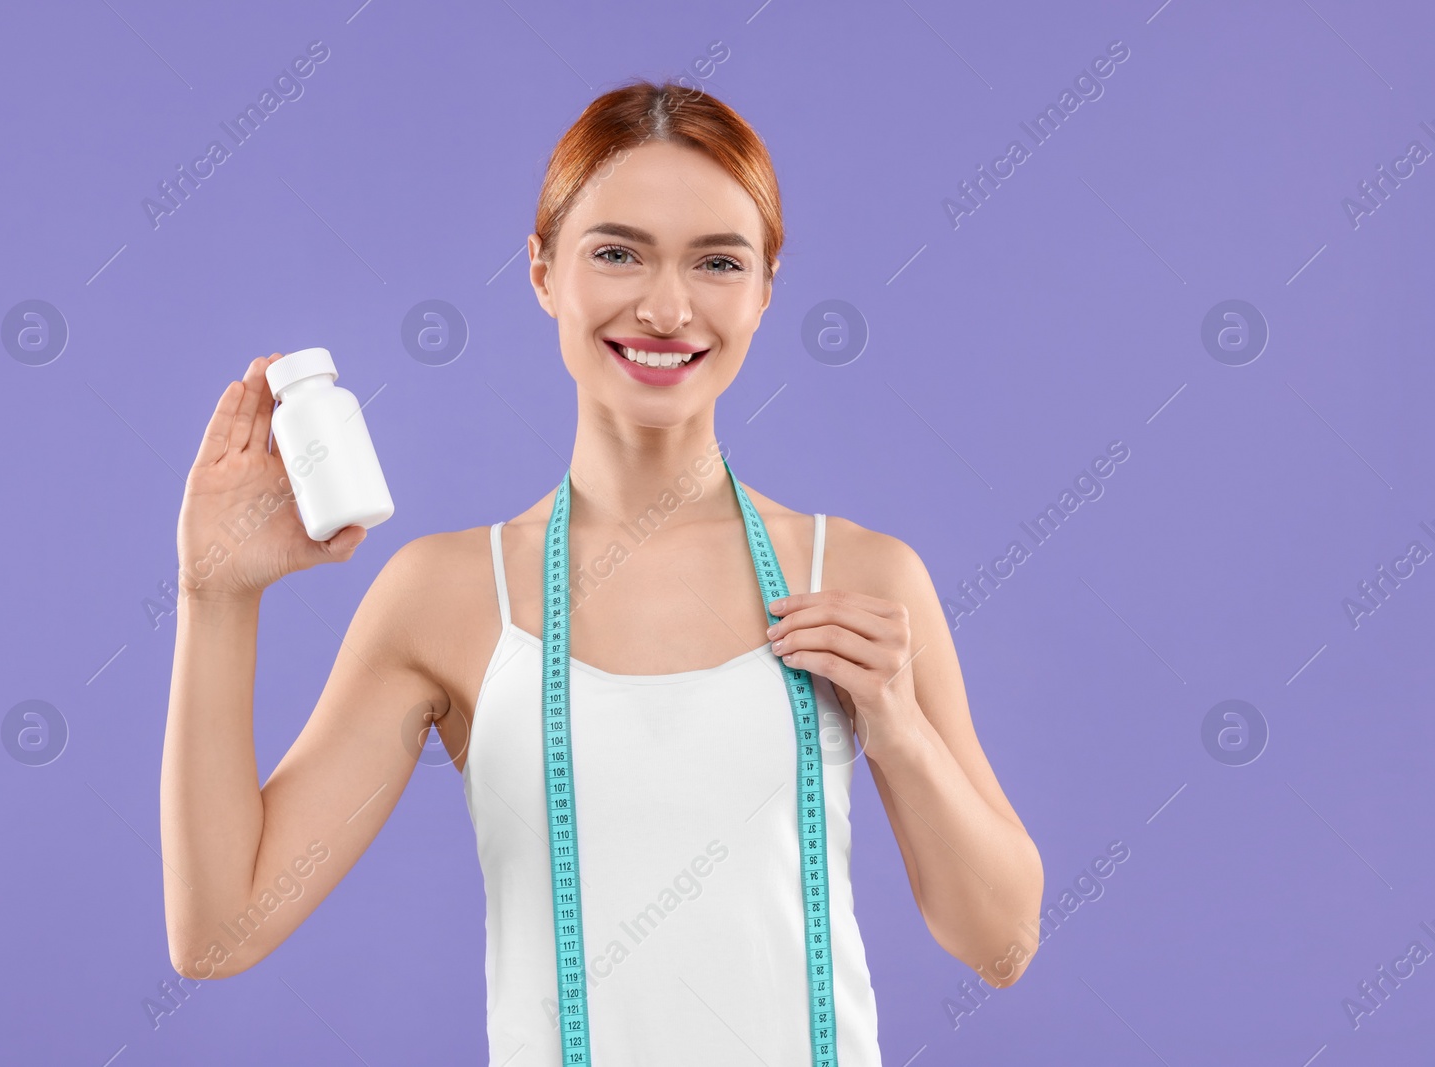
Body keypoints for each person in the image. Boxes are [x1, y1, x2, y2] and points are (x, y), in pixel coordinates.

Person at [161, 79, 1043, 1065]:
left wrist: (900, 730)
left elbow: (1001, 943)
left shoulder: (864, 577)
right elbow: (219, 930)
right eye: (617, 252)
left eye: (717, 261)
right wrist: (217, 596)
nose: (666, 307)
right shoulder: (446, 596)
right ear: (542, 272)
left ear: (764, 287)